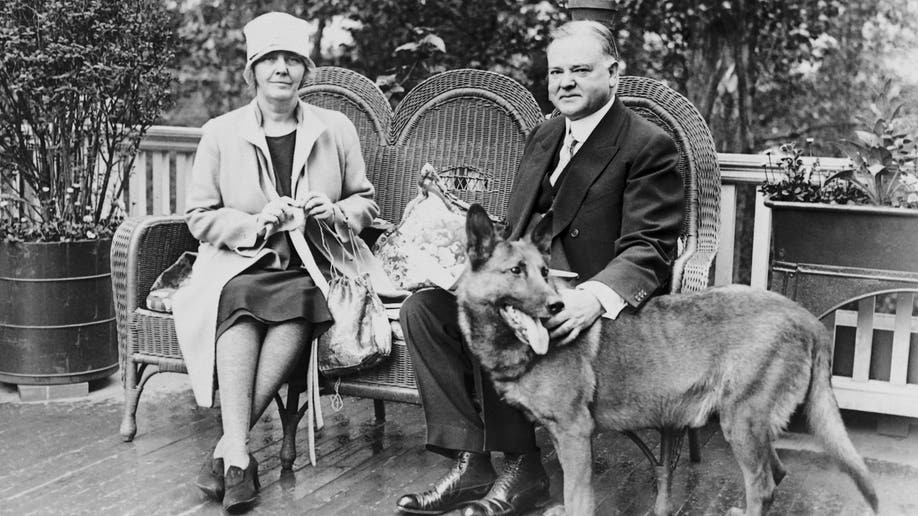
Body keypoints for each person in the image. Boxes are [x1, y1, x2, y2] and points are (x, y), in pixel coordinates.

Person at [396, 20, 685, 516]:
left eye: (580, 70)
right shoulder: (545, 134)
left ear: (613, 73)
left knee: (508, 322)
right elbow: (518, 230)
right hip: (525, 288)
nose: (565, 82)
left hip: (586, 308)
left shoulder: (646, 145)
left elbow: (650, 247)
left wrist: (592, 297)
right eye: (557, 72)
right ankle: (477, 459)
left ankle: (521, 469)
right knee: (425, 311)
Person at [172, 12, 386, 513]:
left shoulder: (335, 128)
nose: (282, 69)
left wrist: (334, 211)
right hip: (240, 263)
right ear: (253, 71)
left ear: (305, 70)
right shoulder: (220, 133)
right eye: (270, 60)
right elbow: (198, 216)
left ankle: (231, 452)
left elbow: (367, 202)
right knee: (240, 297)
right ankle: (239, 454)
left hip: (315, 266)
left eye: (292, 59)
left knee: (301, 299)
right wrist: (253, 223)